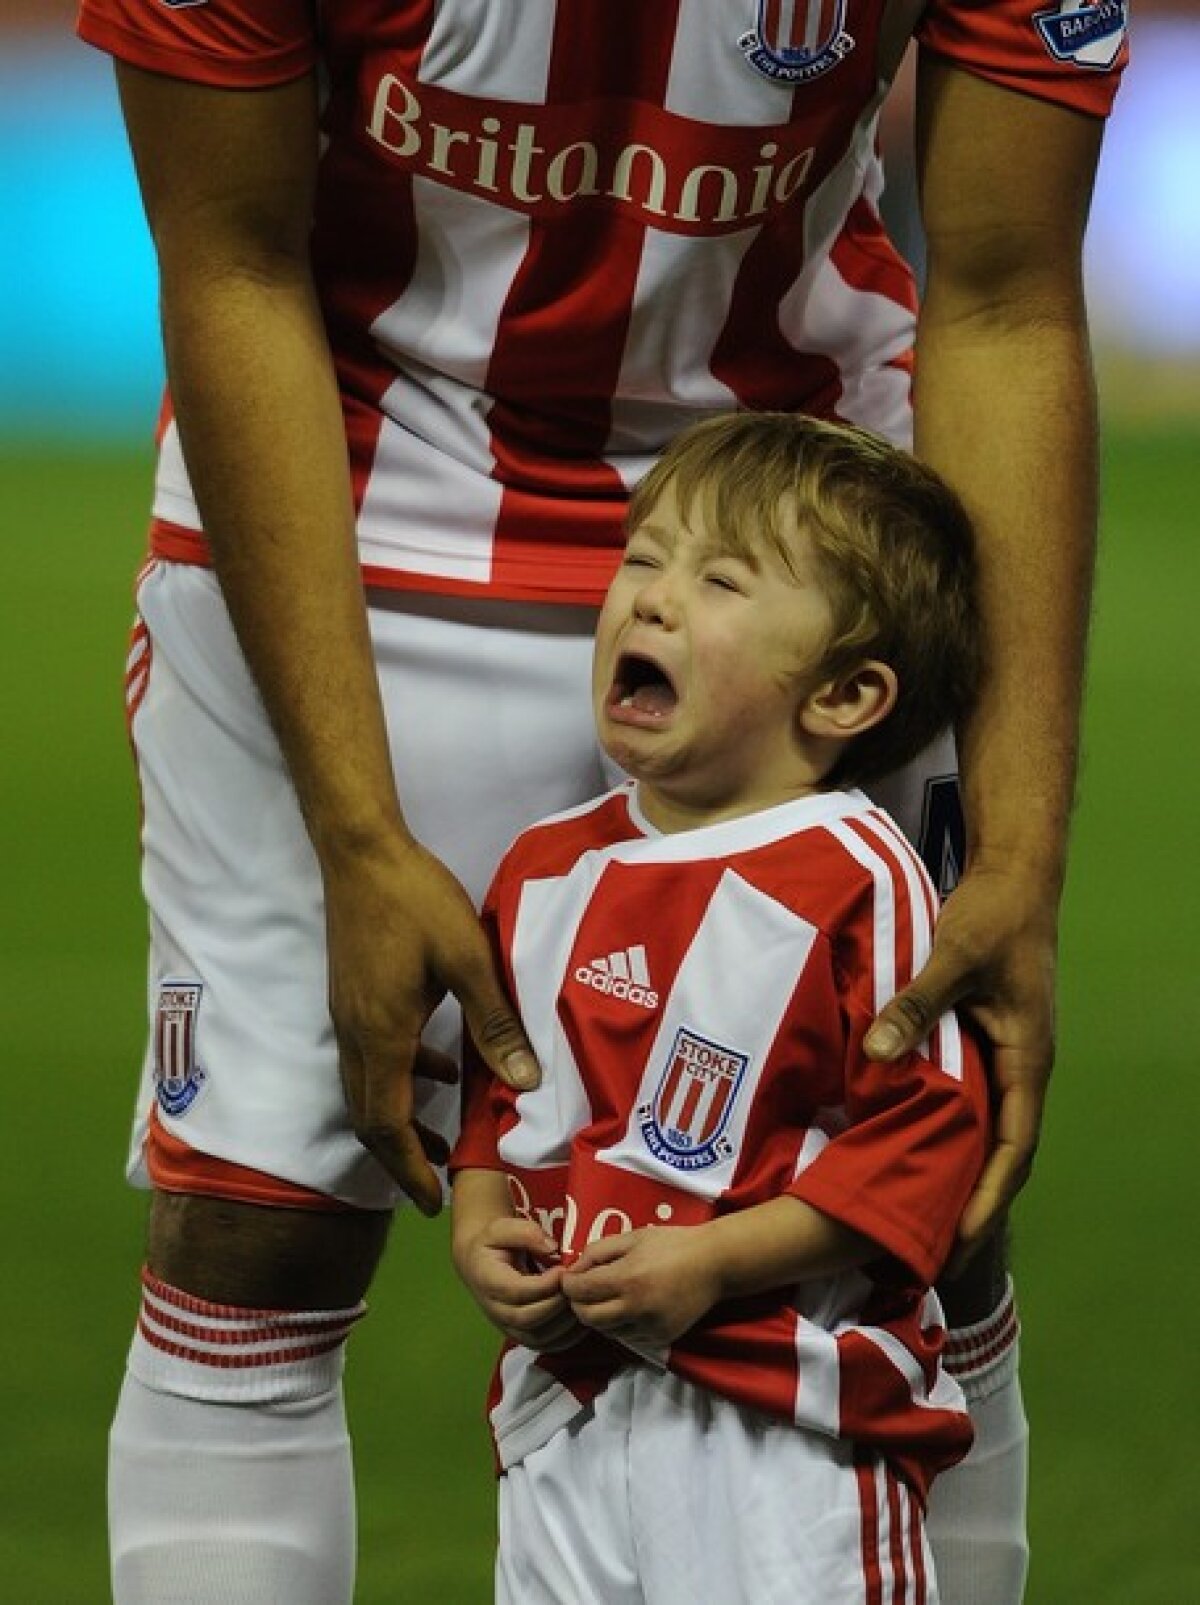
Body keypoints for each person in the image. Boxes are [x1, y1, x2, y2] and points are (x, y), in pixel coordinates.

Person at [74, 1, 1127, 1601]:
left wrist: (1025, 850)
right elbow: (228, 264)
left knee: (917, 1218)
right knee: (260, 1227)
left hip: (806, 534)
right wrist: (360, 831)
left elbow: (1003, 290)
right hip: (358, 515)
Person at [452, 411, 990, 1602]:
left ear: (847, 696)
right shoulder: (542, 868)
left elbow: (924, 1144)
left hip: (782, 1428)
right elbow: (507, 1096)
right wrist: (478, 1217)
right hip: (565, 1417)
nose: (649, 599)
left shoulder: (855, 870)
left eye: (719, 580)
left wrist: (716, 1262)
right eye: (643, 559)